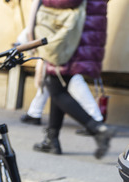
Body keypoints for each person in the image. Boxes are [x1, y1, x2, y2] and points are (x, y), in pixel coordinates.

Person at [28, 0, 112, 158]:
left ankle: (97, 129)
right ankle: (52, 139)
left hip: (71, 35)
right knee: (57, 82)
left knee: (56, 88)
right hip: (81, 31)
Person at [20, 61, 104, 126]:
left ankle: (95, 120)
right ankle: (35, 113)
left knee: (72, 80)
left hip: (62, 55)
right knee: (49, 81)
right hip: (59, 56)